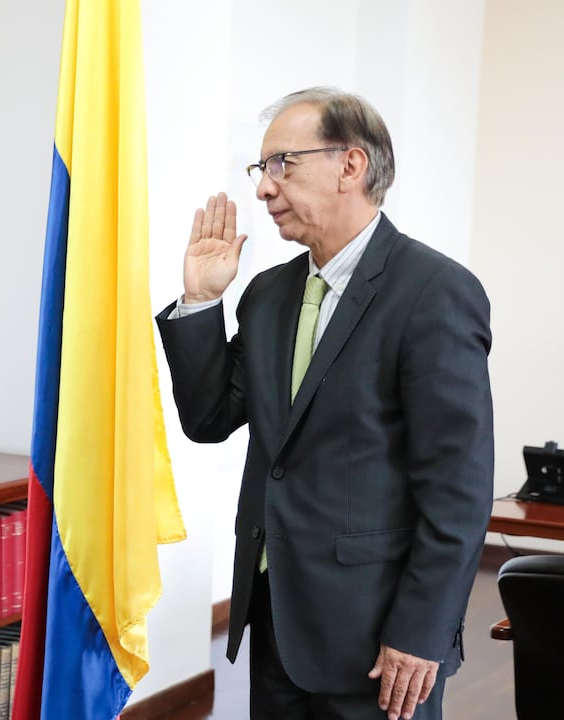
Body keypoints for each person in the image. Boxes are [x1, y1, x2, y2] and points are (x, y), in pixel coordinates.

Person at [156, 87, 493, 720]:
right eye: (260, 169)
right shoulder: (266, 295)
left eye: (282, 163)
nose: (262, 188)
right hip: (276, 614)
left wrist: (420, 632)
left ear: (350, 165)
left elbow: (459, 489)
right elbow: (207, 421)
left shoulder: (434, 292)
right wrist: (201, 301)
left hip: (379, 637)